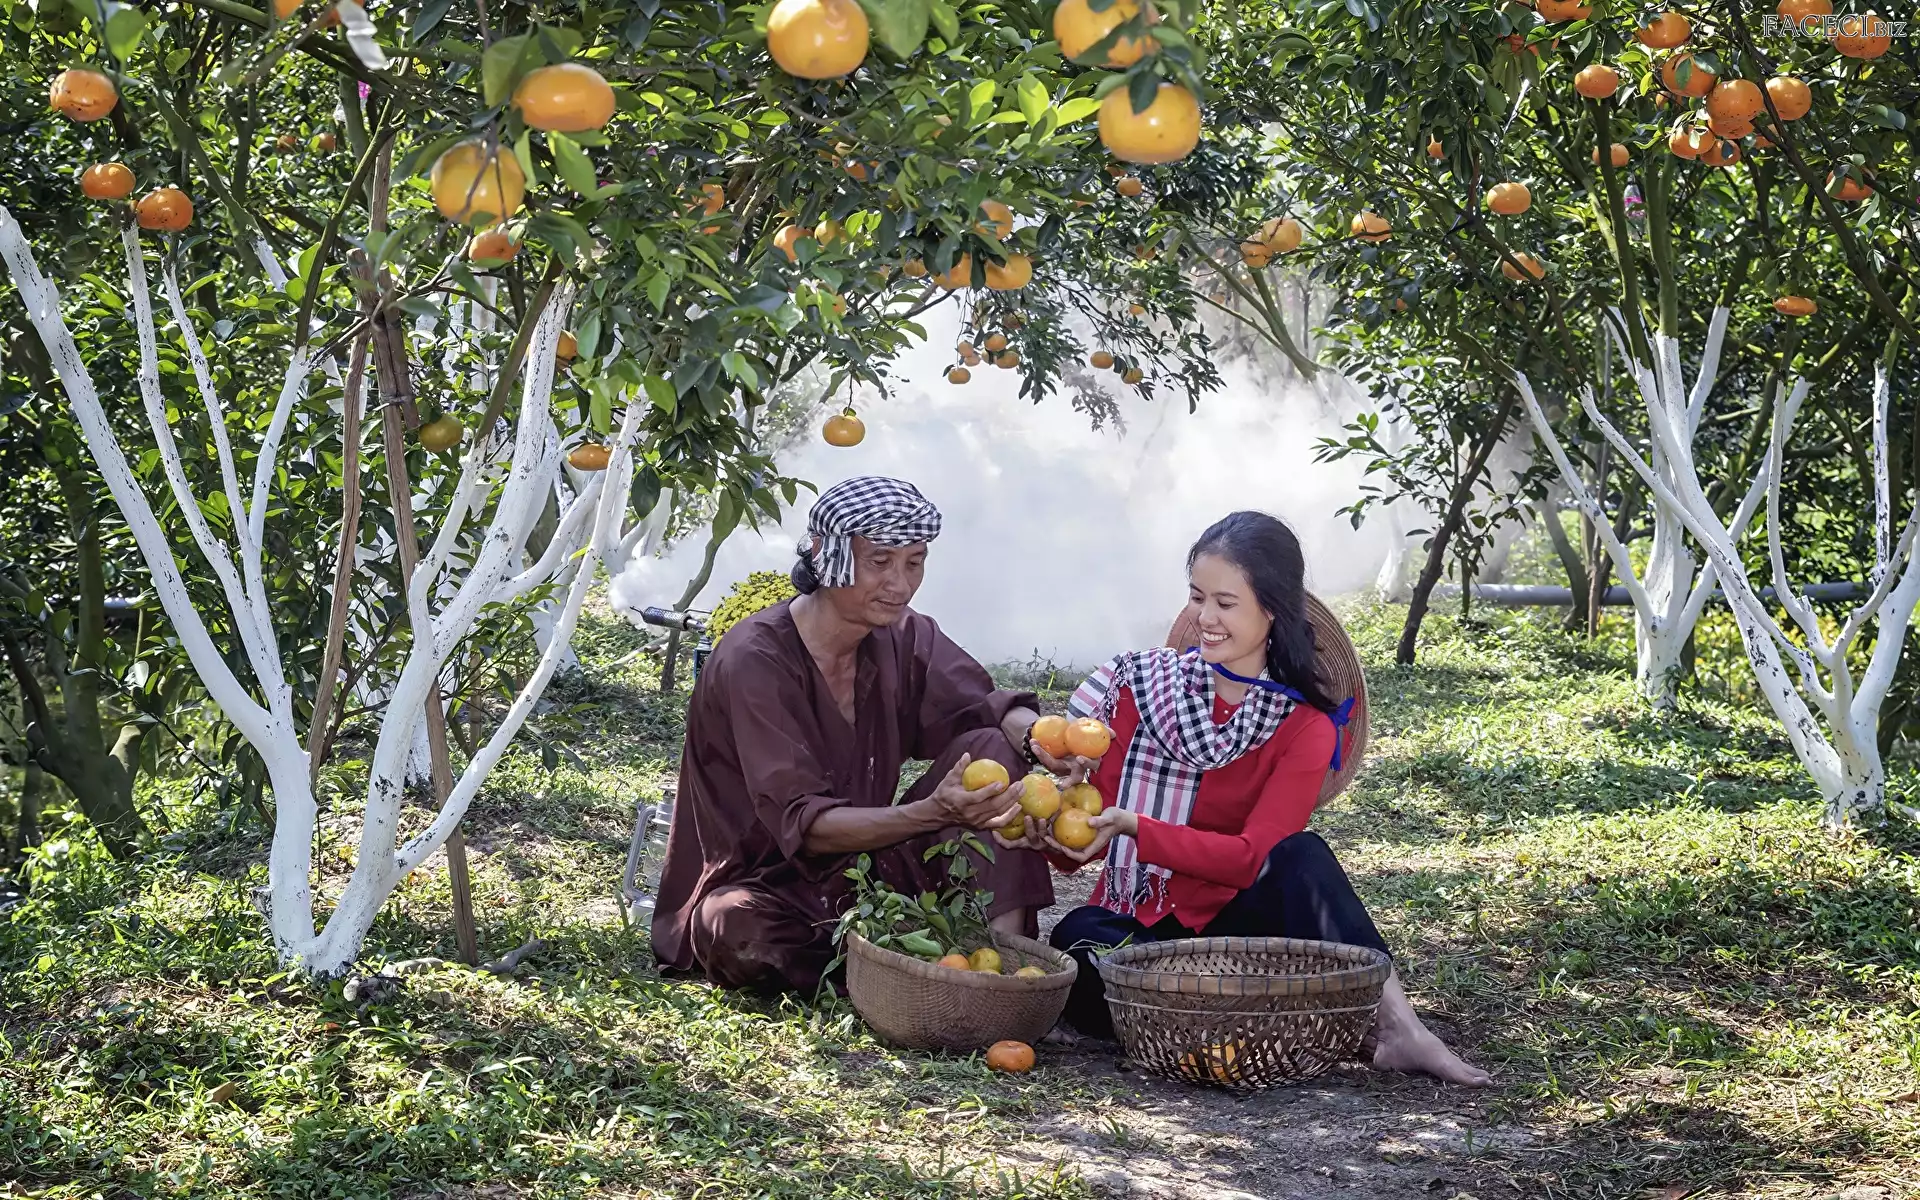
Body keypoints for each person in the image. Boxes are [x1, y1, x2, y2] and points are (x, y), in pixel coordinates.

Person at [1032, 511, 1492, 1086]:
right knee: (1077, 937)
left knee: (1303, 856)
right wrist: (1056, 830)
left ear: (1271, 608)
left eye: (1226, 603)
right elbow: (1085, 836)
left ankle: (1400, 1028)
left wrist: (1136, 828)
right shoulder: (1145, 694)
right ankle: (1240, 1022)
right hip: (1140, 932)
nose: (1205, 618)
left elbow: (1253, 858)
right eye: (1198, 597)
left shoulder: (1305, 727)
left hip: (1242, 933)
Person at [651, 476, 1065, 994]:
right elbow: (809, 825)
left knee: (991, 749)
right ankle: (898, 961)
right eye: (880, 562)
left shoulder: (903, 634)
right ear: (828, 556)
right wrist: (934, 812)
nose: (901, 583)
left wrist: (1040, 740)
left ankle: (998, 973)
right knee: (736, 929)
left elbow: (981, 707)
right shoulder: (754, 660)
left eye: (914, 562)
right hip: (767, 884)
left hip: (868, 873)